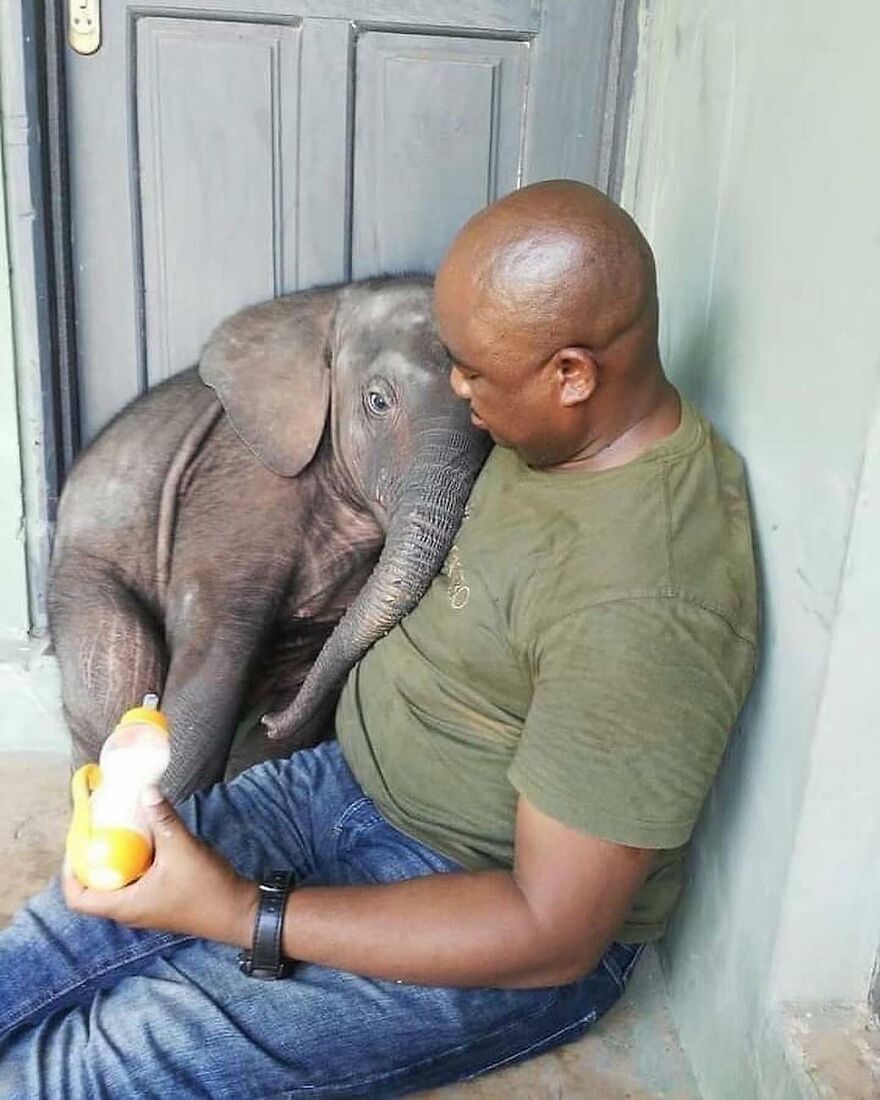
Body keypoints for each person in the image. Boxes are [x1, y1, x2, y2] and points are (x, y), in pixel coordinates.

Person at [0, 180, 757, 1098]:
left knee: (96, 1063)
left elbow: (551, 932)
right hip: (339, 783)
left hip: (480, 904)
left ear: (572, 374)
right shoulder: (546, 433)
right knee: (48, 946)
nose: (460, 392)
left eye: (475, 371)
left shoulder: (649, 602)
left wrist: (246, 913)